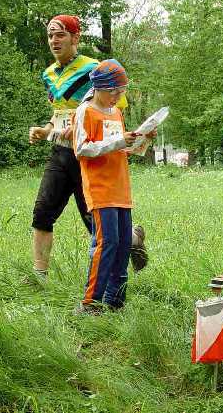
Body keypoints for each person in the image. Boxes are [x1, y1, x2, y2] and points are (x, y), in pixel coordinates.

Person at [29, 15, 146, 278]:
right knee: (42, 213)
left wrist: (86, 126)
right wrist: (46, 130)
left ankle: (132, 240)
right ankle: (39, 278)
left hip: (91, 157)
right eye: (50, 35)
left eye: (60, 34)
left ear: (75, 37)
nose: (54, 41)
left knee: (97, 224)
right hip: (60, 152)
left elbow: (116, 108)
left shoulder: (95, 69)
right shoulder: (48, 74)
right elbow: (58, 112)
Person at [72, 59, 156, 311]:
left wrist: (142, 140)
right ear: (99, 88)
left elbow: (121, 149)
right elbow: (82, 149)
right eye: (114, 92)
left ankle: (115, 301)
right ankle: (90, 303)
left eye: (122, 92)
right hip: (100, 189)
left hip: (121, 188)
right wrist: (119, 142)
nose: (119, 97)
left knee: (122, 245)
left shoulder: (116, 112)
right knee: (106, 244)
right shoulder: (85, 112)